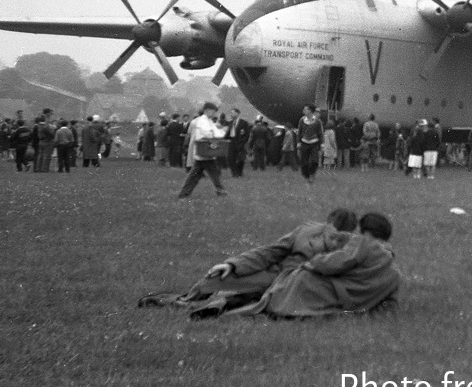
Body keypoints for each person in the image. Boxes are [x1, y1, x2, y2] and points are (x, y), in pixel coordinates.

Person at [139, 208, 359, 312]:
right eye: (331, 237)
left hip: (299, 289)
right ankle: (183, 301)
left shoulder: (357, 251)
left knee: (258, 301)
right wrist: (232, 264)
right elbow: (269, 252)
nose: (335, 244)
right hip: (273, 275)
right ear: (324, 227)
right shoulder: (305, 232)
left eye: (341, 240)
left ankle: (220, 305)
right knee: (215, 280)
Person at [225, 212, 401, 319]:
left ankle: (227, 305)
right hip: (339, 305)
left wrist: (313, 262)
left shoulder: (365, 244)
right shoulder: (394, 273)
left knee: (270, 297)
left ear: (366, 231)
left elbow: (333, 264)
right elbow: (389, 304)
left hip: (307, 288)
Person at [176, 102, 228, 198]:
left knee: (197, 174)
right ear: (207, 110)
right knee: (210, 173)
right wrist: (220, 132)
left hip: (205, 152)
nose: (214, 114)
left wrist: (219, 132)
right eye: (213, 112)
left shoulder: (208, 121)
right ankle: (220, 190)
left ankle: (184, 193)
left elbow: (215, 132)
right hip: (204, 150)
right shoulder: (202, 121)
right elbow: (208, 133)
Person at [297, 104, 324, 183]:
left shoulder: (317, 121)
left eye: (305, 109)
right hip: (304, 142)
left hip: (314, 143)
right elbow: (299, 132)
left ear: (310, 111)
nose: (304, 111)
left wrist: (322, 144)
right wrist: (298, 142)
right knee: (304, 161)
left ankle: (312, 173)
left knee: (315, 160)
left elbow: (320, 133)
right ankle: (306, 175)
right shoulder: (302, 120)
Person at [226, 108, 250, 177]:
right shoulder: (230, 122)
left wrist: (243, 142)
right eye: (231, 113)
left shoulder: (244, 123)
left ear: (237, 113)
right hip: (232, 142)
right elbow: (228, 133)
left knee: (241, 159)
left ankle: (239, 172)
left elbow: (247, 134)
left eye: (232, 113)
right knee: (230, 159)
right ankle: (234, 173)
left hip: (240, 143)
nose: (231, 114)